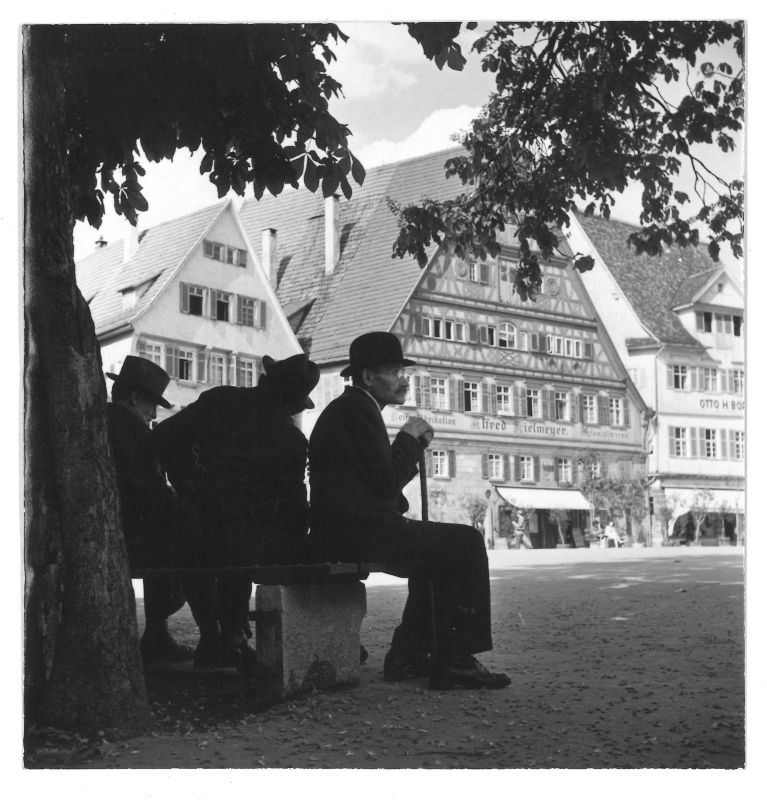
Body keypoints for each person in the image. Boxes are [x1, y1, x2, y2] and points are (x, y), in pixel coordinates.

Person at [308, 331, 510, 691]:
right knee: (465, 542)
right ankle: (455, 659)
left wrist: (407, 445)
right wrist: (409, 439)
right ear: (368, 376)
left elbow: (373, 481)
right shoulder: (357, 410)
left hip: (347, 529)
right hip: (357, 532)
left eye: (403, 371)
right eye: (393, 371)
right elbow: (387, 481)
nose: (403, 379)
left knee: (438, 552)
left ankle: (410, 654)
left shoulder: (354, 408)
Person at [153, 353, 320, 667]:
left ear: (264, 380)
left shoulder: (220, 399)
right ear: (295, 404)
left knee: (209, 543)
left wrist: (187, 481)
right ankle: (232, 636)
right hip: (247, 539)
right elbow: (293, 509)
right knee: (244, 544)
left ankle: (212, 636)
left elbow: (162, 437)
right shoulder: (291, 439)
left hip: (196, 525)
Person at [106, 356, 217, 664]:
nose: (153, 415)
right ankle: (211, 638)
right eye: (151, 404)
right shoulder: (134, 431)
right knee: (199, 545)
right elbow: (151, 495)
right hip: (132, 535)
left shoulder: (100, 419)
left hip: (114, 530)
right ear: (135, 397)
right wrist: (183, 507)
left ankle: (159, 634)